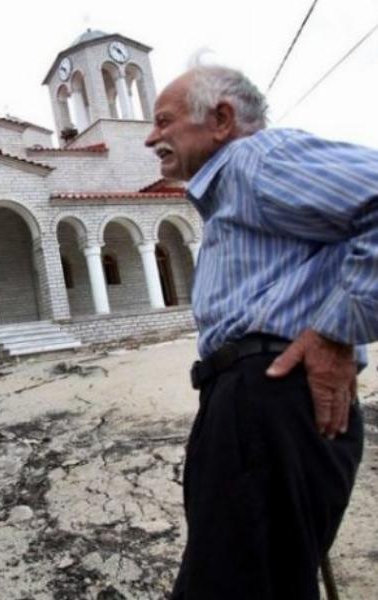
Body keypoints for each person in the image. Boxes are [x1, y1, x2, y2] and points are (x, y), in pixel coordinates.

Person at [145, 66, 376, 599]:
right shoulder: (233, 190)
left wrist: (335, 332)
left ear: (221, 119)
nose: (152, 137)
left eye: (164, 121)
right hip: (251, 404)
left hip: (269, 399)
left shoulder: (256, 161)